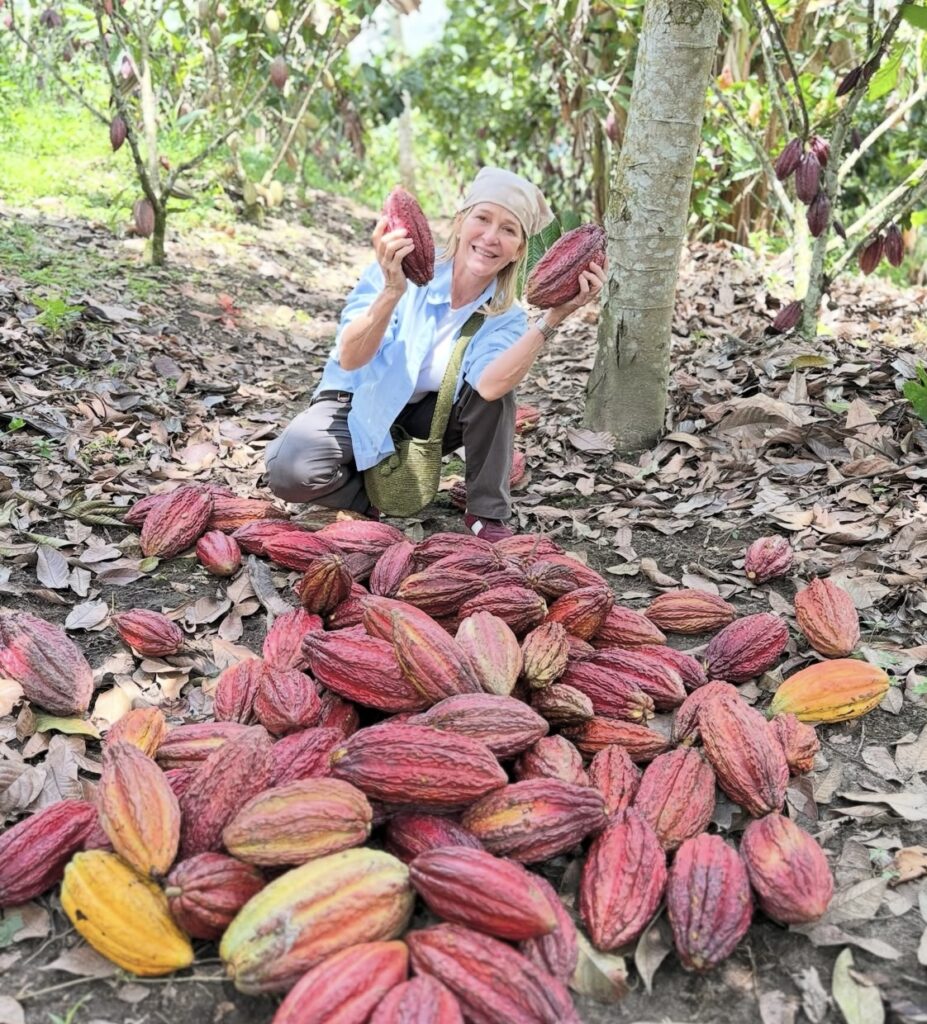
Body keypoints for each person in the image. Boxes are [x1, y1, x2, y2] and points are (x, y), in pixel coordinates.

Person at [264, 166, 606, 542]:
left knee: (498, 388)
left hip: (422, 422)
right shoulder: (396, 270)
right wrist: (392, 292)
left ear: (518, 250)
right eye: (483, 219)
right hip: (354, 404)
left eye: (508, 230)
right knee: (288, 470)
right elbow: (350, 358)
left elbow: (491, 387)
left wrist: (554, 318)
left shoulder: (503, 317)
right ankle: (369, 498)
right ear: (460, 223)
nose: (491, 237)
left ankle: (486, 515)